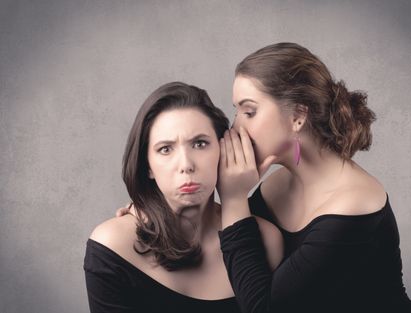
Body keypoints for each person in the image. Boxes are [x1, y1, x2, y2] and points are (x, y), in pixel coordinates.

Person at [217, 42, 411, 312]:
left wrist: (233, 199)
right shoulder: (275, 186)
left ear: (298, 116)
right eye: (236, 112)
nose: (236, 128)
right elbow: (239, 270)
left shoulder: (353, 203)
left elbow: (263, 307)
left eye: (249, 112)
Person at [84, 82, 283, 313]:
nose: (186, 165)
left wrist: (234, 199)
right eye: (165, 149)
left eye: (200, 144)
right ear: (147, 165)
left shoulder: (267, 240)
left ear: (223, 150)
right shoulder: (114, 244)